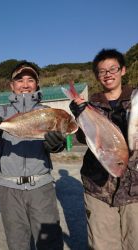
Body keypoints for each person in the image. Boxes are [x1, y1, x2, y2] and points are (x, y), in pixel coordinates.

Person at [0, 61, 64, 250]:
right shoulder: (1, 112)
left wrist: (56, 145)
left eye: (30, 80)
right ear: (12, 86)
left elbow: (59, 140)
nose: (25, 85)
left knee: (49, 242)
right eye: (19, 80)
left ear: (37, 84)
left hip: (41, 185)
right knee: (17, 242)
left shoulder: (47, 113)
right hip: (8, 188)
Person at [69, 49, 138, 249]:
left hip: (135, 191)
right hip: (99, 189)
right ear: (97, 76)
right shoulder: (91, 105)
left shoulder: (135, 101)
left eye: (112, 69)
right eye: (102, 71)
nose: (108, 74)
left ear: (123, 70)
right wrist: (81, 116)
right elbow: (83, 138)